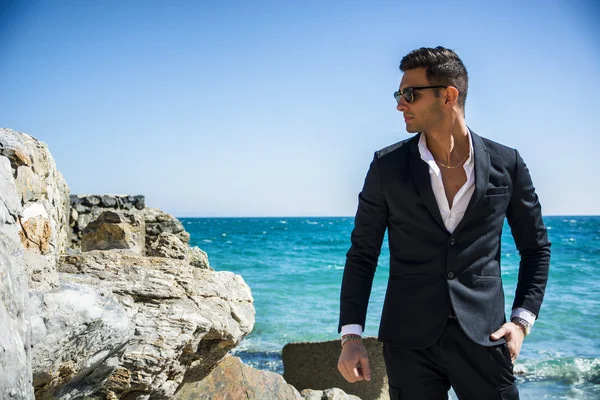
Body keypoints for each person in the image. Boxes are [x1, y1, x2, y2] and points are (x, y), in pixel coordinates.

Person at [337, 46, 551, 400]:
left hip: (485, 338)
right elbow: (362, 254)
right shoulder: (386, 166)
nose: (399, 104)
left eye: (409, 94)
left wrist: (522, 322)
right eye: (399, 94)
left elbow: (536, 248)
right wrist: (352, 336)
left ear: (448, 96)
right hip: (408, 342)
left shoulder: (507, 163)